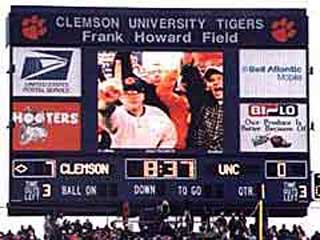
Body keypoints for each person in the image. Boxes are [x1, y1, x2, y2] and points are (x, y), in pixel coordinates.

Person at [99, 76, 177, 148]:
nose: (133, 97)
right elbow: (106, 114)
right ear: (120, 97)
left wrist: (157, 154)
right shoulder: (116, 113)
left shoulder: (157, 113)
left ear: (143, 96)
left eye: (137, 93)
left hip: (148, 160)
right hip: (123, 158)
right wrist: (106, 102)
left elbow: (170, 138)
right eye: (127, 94)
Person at [190, 67, 223, 150]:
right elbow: (199, 138)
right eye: (212, 80)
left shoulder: (238, 108)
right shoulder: (206, 109)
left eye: (219, 79)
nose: (216, 83)